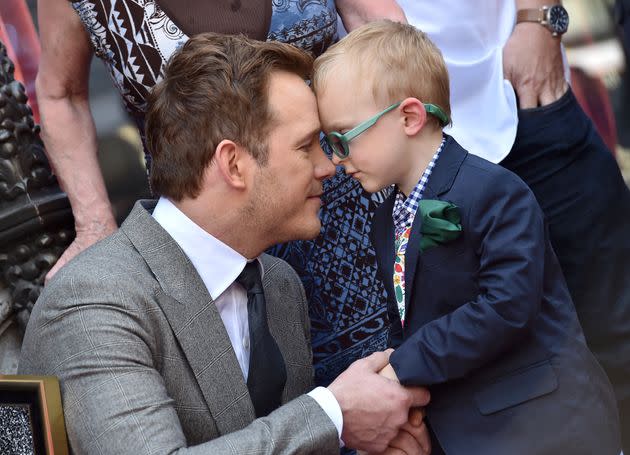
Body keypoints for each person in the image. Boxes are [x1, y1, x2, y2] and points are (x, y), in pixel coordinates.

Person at [19, 33, 431, 455]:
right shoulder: (91, 302)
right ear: (233, 164)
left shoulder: (280, 285)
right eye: (306, 146)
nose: (329, 167)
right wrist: (334, 415)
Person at [313, 20, 621, 454]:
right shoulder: (391, 216)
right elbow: (419, 309)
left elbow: (505, 306)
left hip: (542, 428)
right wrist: (408, 406)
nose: (337, 160)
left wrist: (402, 367)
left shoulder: (493, 191)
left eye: (342, 139)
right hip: (464, 431)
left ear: (409, 116)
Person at [396, 1, 630, 451]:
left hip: (527, 105)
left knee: (615, 322)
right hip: (430, 165)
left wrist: (540, 18)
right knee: (495, 370)